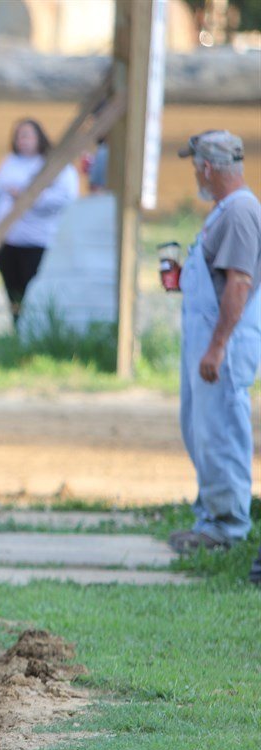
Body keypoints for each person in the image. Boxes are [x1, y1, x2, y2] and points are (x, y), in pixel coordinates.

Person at [166, 130, 261, 556]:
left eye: (195, 167)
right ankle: (211, 518)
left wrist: (217, 346)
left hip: (224, 347)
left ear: (207, 167)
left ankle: (227, 528)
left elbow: (239, 284)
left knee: (221, 431)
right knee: (204, 432)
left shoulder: (239, 212)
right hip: (211, 343)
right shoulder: (226, 211)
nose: (194, 175)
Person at [0, 118, 79, 324]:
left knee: (33, 291)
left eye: (27, 135)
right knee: (13, 291)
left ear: (39, 137)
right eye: (18, 136)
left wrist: (30, 198)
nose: (22, 140)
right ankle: (18, 327)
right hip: (7, 241)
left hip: (38, 241)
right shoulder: (10, 163)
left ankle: (34, 330)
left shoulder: (54, 165)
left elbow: (66, 198)